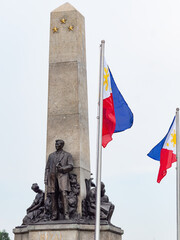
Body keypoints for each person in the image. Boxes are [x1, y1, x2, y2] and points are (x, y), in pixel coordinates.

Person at [44, 139, 73, 220]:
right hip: (52, 177)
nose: (56, 146)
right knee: (53, 195)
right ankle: (54, 214)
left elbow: (71, 166)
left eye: (58, 144)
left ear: (62, 145)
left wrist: (62, 169)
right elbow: (47, 168)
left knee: (64, 194)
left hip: (62, 176)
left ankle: (66, 214)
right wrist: (46, 179)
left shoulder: (67, 155)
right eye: (56, 144)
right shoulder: (51, 156)